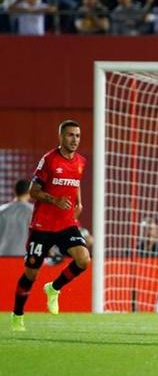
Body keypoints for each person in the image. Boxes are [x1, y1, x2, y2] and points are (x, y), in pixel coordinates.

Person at [11, 120, 90, 332]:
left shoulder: (81, 161)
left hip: (66, 223)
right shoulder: (49, 160)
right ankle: (17, 315)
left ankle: (54, 288)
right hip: (42, 225)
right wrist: (55, 200)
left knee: (83, 259)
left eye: (78, 135)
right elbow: (34, 190)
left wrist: (79, 202)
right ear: (61, 137)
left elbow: (76, 180)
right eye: (70, 135)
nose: (75, 139)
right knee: (31, 273)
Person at [0, 180, 33, 256]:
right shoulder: (33, 212)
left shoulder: (2, 210)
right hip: (24, 256)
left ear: (15, 191)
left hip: (2, 256)